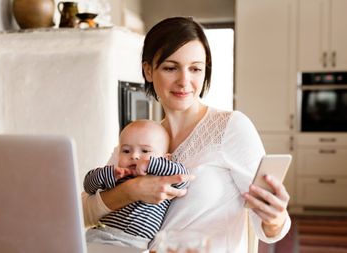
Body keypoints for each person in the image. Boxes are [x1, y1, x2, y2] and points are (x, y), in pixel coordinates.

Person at [82, 16, 291, 252]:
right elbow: (84, 212)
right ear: (148, 70)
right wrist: (132, 190)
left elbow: (270, 230)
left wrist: (275, 218)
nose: (184, 81)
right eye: (171, 68)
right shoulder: (140, 138)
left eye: (195, 69)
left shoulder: (231, 127)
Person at [84, 119, 190, 249]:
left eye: (145, 151)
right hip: (99, 235)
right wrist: (108, 173)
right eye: (126, 151)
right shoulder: (119, 175)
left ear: (165, 159)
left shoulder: (163, 178)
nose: (134, 156)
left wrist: (150, 164)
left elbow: (182, 177)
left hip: (132, 244)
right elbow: (88, 186)